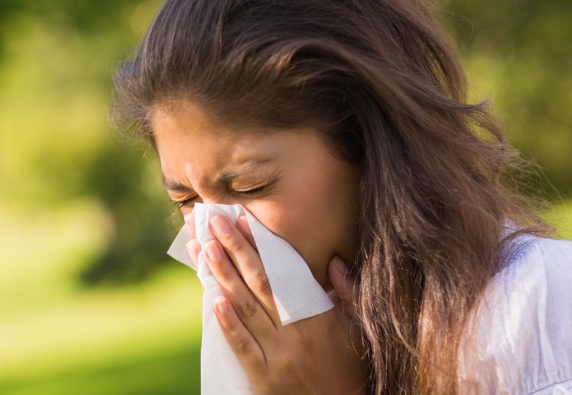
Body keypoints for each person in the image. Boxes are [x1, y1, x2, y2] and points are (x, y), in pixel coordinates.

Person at [110, 0, 572, 393]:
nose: (215, 239)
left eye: (250, 186)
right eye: (187, 200)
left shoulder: (538, 311)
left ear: (367, 148)